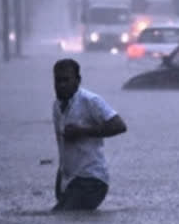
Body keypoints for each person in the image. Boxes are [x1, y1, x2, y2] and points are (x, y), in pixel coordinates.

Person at [52, 58, 127, 211]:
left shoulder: (90, 101)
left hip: (92, 180)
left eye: (66, 80)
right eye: (58, 81)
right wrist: (60, 176)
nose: (61, 85)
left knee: (61, 215)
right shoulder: (57, 106)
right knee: (64, 221)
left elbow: (119, 125)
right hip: (69, 180)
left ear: (78, 80)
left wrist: (82, 131)